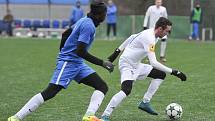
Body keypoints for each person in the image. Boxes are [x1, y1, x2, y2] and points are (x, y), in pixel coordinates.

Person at [8, 1, 114, 121]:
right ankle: (16, 117)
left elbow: (65, 34)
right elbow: (81, 51)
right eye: (105, 13)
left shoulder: (84, 20)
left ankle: (89, 116)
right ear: (98, 15)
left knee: (102, 86)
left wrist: (63, 52)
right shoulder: (88, 26)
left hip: (77, 63)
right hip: (69, 63)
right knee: (50, 91)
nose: (106, 16)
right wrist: (102, 63)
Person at [100, 17, 187, 121]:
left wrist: (115, 53)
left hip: (137, 64)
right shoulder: (149, 37)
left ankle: (145, 102)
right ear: (160, 29)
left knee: (160, 75)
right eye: (167, 31)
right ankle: (105, 115)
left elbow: (132, 37)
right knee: (126, 90)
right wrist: (174, 72)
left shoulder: (155, 35)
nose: (167, 33)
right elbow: (153, 62)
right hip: (127, 64)